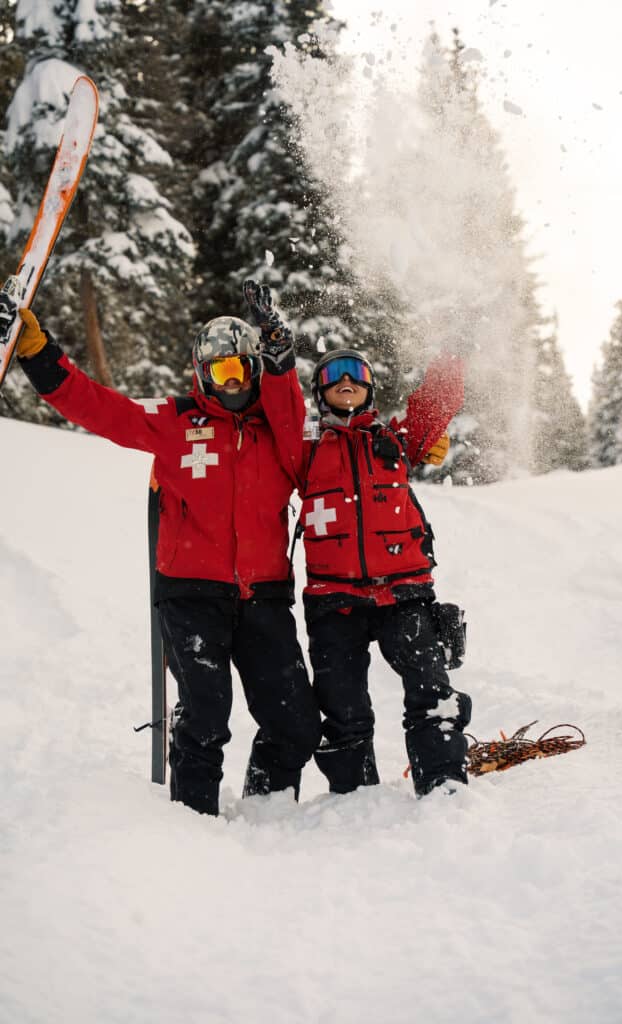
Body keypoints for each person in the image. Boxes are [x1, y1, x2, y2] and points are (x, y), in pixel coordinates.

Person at [0, 280, 321, 816]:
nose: (234, 383)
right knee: (207, 713)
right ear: (202, 373)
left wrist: (283, 362)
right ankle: (191, 826)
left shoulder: (278, 433)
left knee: (296, 721)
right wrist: (40, 354)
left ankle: (269, 812)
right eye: (222, 372)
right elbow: (102, 409)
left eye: (244, 370)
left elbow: (290, 415)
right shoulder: (177, 421)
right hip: (192, 595)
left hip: (263, 595)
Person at [274, 345, 472, 798]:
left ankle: (444, 788)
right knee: (342, 709)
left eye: (357, 372)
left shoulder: (395, 440)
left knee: (431, 691)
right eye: (334, 373)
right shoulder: (304, 448)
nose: (347, 379)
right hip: (333, 600)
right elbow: (275, 414)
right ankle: (354, 799)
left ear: (369, 387)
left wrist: (452, 348)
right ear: (319, 390)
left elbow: (435, 404)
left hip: (404, 593)